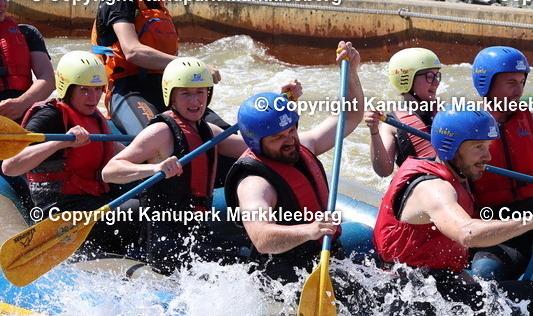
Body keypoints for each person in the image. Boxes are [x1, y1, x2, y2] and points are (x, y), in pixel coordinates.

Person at [372, 109, 533, 316]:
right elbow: (467, 233)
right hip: (411, 302)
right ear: (450, 147)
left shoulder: (452, 175)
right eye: (478, 147)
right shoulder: (432, 188)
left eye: (488, 146)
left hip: (433, 289)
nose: (488, 157)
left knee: (531, 292)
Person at [224, 43, 365, 284]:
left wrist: (351, 72)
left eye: (292, 130)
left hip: (325, 258)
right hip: (284, 278)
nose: (290, 140)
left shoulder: (304, 146)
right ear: (256, 142)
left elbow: (349, 116)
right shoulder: (254, 184)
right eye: (278, 137)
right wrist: (310, 230)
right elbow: (261, 237)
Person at [101, 57, 251, 273]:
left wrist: (285, 103)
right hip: (166, 242)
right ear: (171, 96)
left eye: (200, 92)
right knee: (243, 261)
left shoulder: (209, 131)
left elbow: (259, 146)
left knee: (251, 252)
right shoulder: (160, 132)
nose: (195, 100)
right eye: (185, 93)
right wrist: (155, 168)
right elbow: (110, 171)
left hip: (197, 231)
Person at [91, 0, 229, 136]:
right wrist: (192, 65)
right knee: (158, 136)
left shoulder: (156, 3)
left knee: (226, 135)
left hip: (167, 90)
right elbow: (132, 51)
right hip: (128, 91)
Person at [1, 51, 139, 257]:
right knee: (146, 211)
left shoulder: (94, 115)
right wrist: (60, 142)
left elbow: (114, 149)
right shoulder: (50, 116)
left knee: (155, 196)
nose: (93, 97)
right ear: (67, 88)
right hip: (62, 214)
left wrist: (156, 162)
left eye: (97, 89)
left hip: (94, 200)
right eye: (84, 90)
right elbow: (10, 166)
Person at [468, 46, 533, 278]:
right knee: (485, 273)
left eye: (522, 82)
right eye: (511, 83)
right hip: (491, 227)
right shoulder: (466, 130)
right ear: (486, 84)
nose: (519, 91)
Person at [363, 47, 442, 177]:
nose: (436, 83)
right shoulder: (391, 124)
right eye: (429, 76)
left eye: (437, 75)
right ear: (407, 80)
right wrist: (374, 130)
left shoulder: (446, 113)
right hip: (423, 185)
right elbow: (384, 171)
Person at [0, 0, 57, 121]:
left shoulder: (28, 33)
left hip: (23, 112)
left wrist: (21, 104)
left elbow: (48, 79)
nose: (2, 4)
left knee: (53, 114)